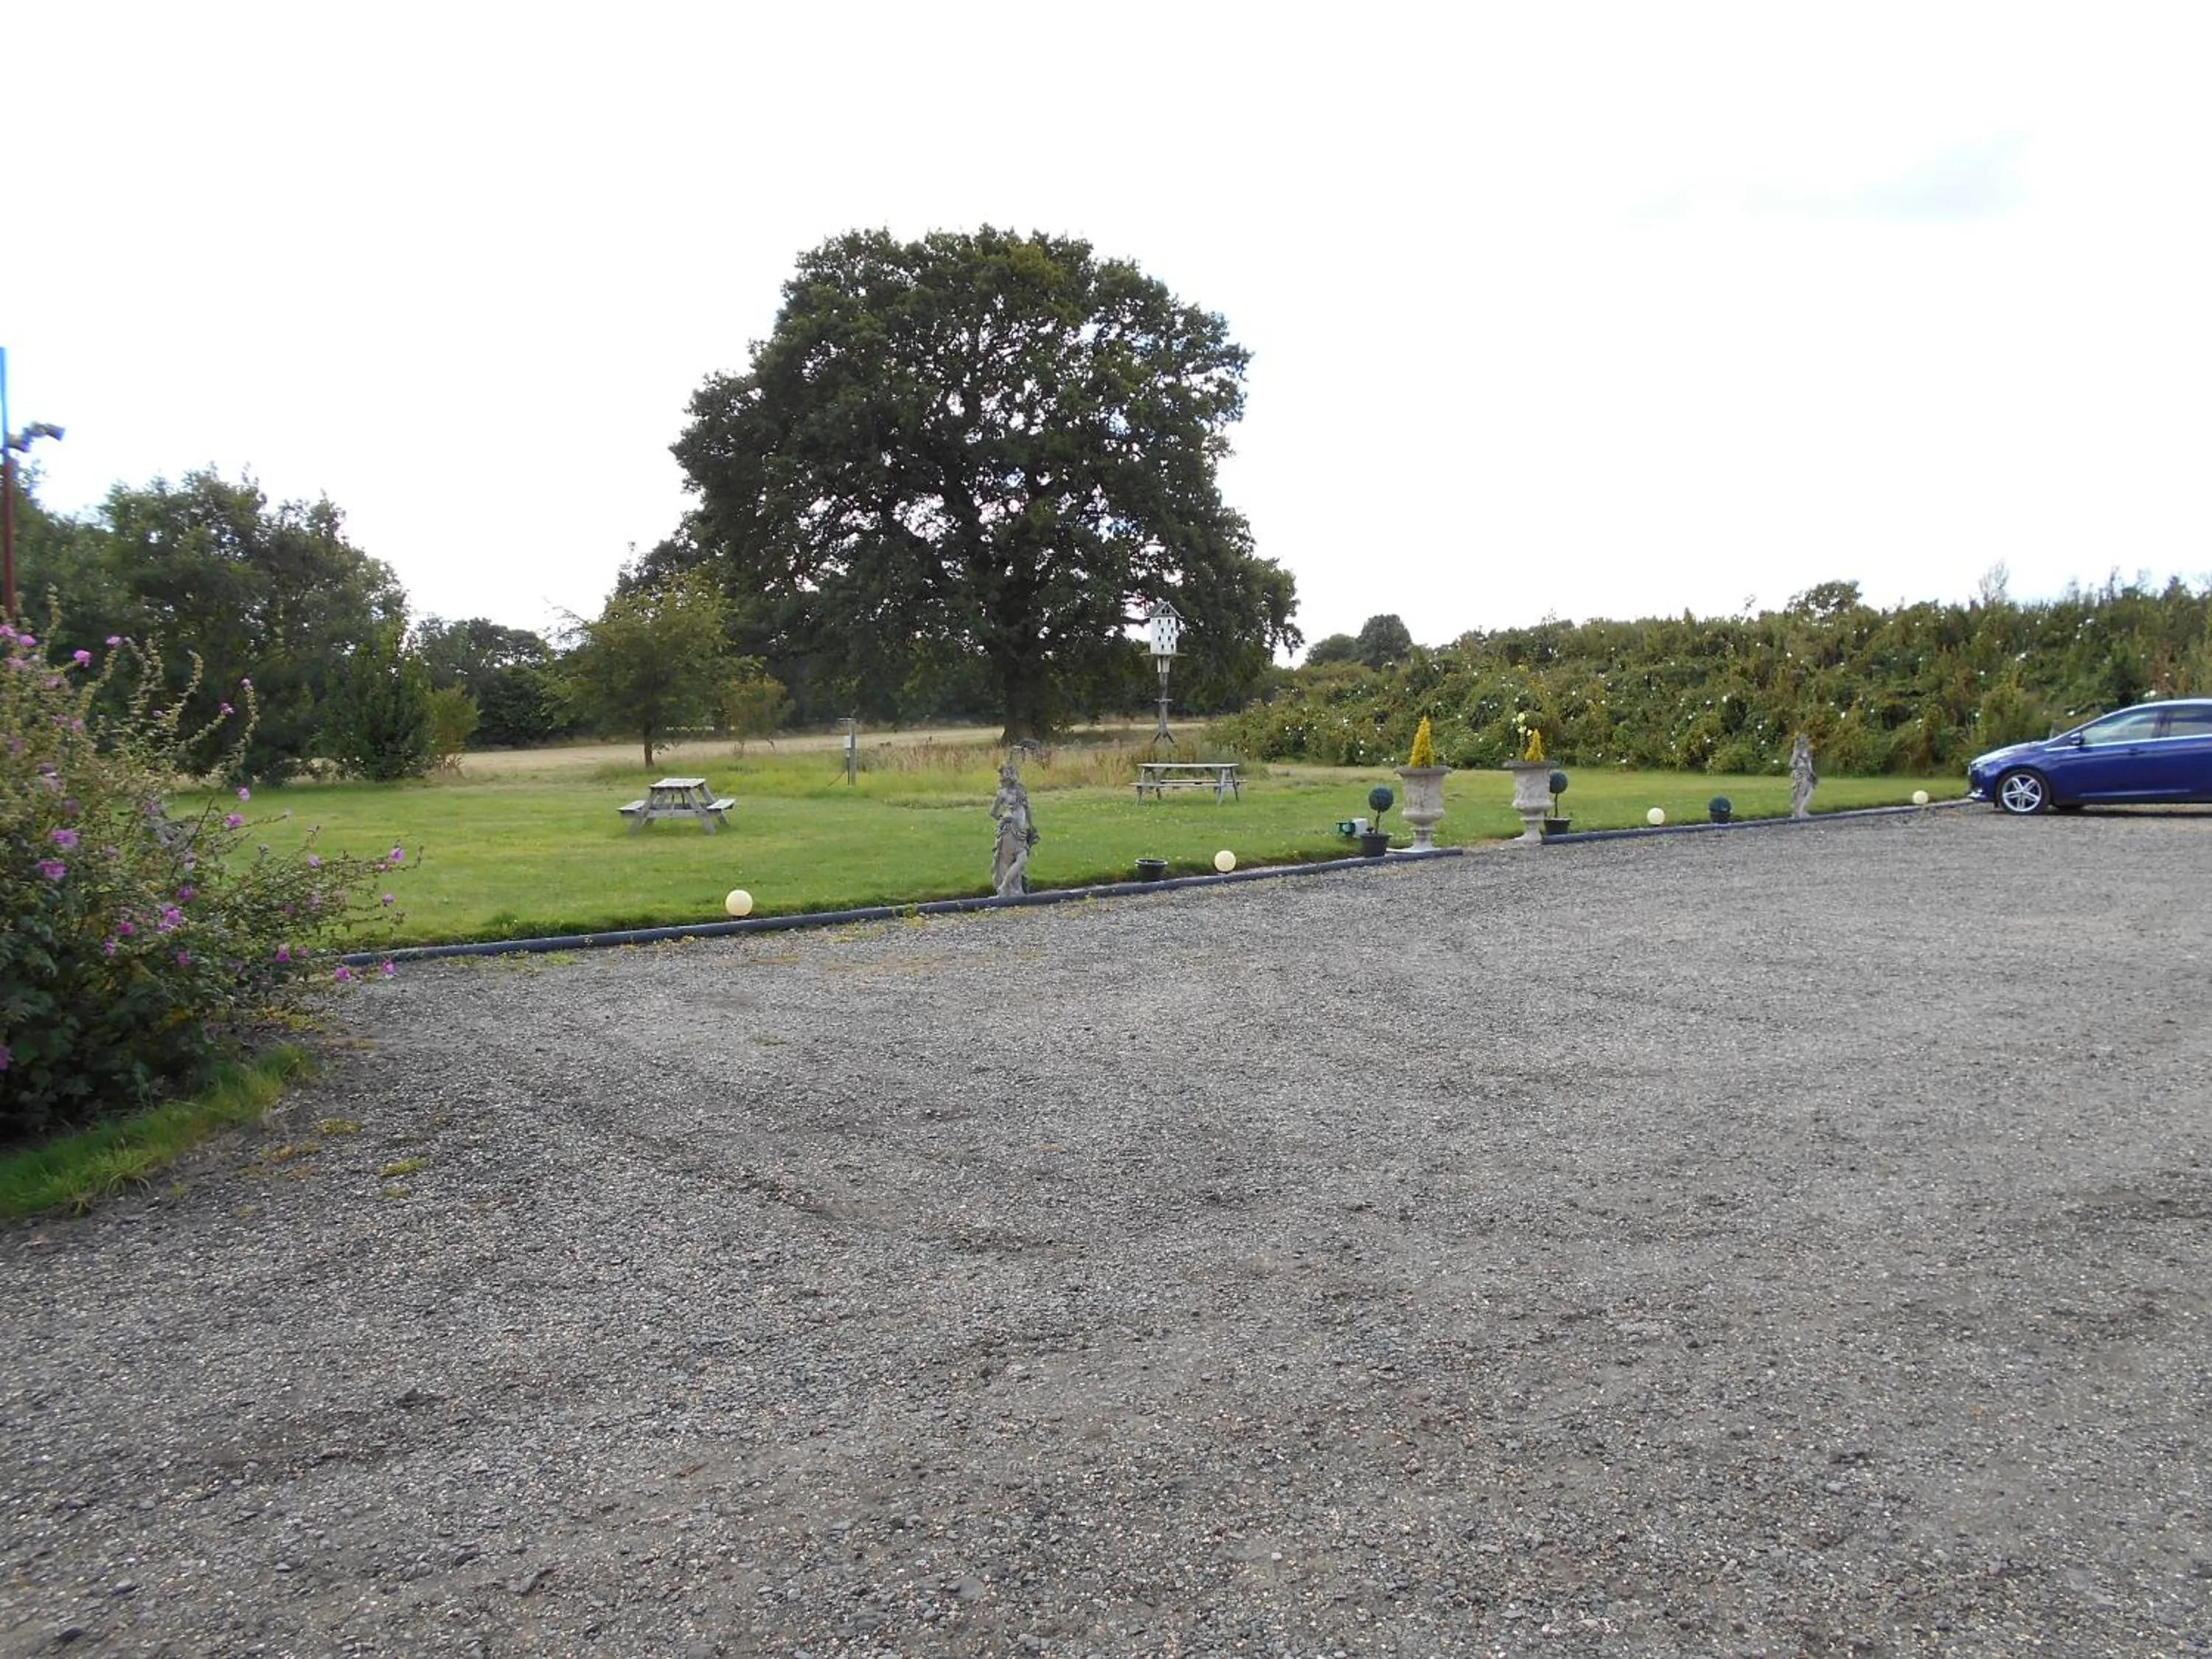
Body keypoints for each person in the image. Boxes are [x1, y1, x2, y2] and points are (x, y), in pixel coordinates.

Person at [990, 763, 1040, 897]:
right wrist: (1004, 818)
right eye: (1007, 773)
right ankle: (1006, 888)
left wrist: (1031, 826)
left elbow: (1027, 809)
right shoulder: (1002, 793)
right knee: (1008, 861)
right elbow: (993, 812)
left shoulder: (1021, 791)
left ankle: (1015, 889)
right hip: (1009, 830)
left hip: (1021, 829)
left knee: (1021, 859)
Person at [1789, 734, 1818, 818]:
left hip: (1808, 774)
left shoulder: (1808, 753)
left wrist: (1812, 774)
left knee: (1809, 791)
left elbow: (1809, 765)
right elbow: (1791, 764)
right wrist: (1800, 767)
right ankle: (1797, 812)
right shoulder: (1797, 752)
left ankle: (1802, 810)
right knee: (1800, 793)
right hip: (1801, 775)